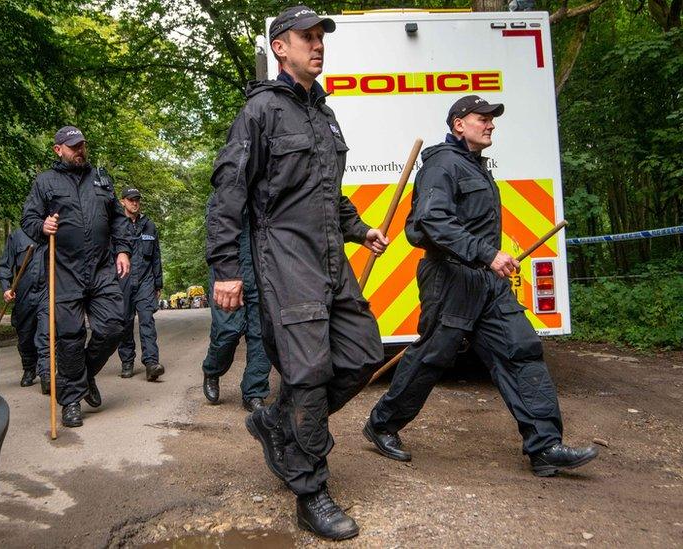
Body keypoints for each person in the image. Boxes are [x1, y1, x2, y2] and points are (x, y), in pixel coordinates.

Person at [205, 6, 389, 540]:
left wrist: (359, 229)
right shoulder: (261, 112)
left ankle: (277, 421)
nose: (317, 45)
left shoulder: (324, 113)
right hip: (285, 261)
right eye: (305, 37)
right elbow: (228, 194)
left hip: (331, 259)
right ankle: (310, 489)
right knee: (308, 375)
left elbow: (329, 188)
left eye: (320, 37)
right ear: (279, 48)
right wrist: (225, 268)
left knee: (362, 355)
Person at [363, 95, 599, 477]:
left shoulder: (475, 166)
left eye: (492, 119)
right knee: (431, 357)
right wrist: (487, 254)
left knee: (521, 349)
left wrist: (486, 260)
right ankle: (382, 424)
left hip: (485, 282)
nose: (490, 124)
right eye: (482, 118)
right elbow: (432, 223)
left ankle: (544, 445)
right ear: (459, 124)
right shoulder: (442, 165)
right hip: (451, 277)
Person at [22, 125, 131, 428]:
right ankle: (71, 400)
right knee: (69, 337)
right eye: (73, 147)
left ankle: (83, 374)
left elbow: (119, 220)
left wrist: (123, 251)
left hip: (101, 267)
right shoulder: (45, 181)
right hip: (64, 269)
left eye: (82, 145)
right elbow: (28, 219)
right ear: (58, 149)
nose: (79, 150)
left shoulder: (101, 177)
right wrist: (42, 227)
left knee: (114, 325)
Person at [201, 210, 271, 412]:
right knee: (228, 330)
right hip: (229, 269)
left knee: (261, 334)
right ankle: (212, 369)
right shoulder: (228, 186)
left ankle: (254, 392)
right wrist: (224, 269)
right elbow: (217, 230)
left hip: (263, 269)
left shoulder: (268, 190)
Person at [116, 187, 166, 381]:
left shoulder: (149, 226)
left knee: (147, 321)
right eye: (130, 200)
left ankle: (152, 363)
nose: (134, 203)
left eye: (137, 199)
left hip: (146, 281)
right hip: (123, 281)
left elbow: (156, 256)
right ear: (123, 202)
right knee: (125, 323)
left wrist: (158, 283)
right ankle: (127, 361)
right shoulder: (117, 225)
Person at [0, 228, 49, 392]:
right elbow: (5, 265)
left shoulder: (53, 233)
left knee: (46, 333)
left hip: (46, 291)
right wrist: (6, 288)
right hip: (24, 292)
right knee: (25, 335)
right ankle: (29, 367)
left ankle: (46, 374)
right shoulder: (17, 236)